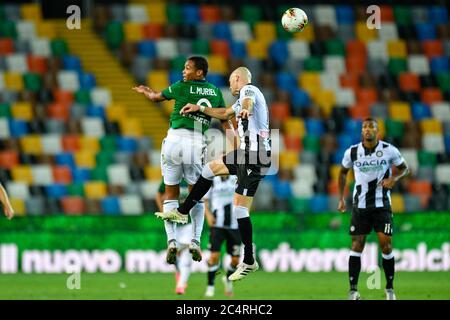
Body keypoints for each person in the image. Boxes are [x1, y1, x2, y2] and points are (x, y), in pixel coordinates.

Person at [156, 67, 271, 282]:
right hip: (245, 153)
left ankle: (249, 259)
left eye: (230, 81)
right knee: (210, 169)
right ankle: (183, 211)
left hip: (256, 156)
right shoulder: (240, 100)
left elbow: (248, 103)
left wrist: (246, 110)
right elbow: (224, 113)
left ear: (238, 78)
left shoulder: (249, 91)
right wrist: (199, 108)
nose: (230, 86)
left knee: (239, 209)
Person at [133, 56, 226, 264]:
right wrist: (234, 140)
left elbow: (157, 97)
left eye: (188, 68)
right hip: (196, 143)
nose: (184, 71)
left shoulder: (182, 86)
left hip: (174, 141)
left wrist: (147, 92)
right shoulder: (215, 92)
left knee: (170, 193)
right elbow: (224, 117)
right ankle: (195, 241)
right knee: (197, 195)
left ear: (199, 72)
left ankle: (172, 241)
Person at [338, 118, 409, 300]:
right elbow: (342, 172)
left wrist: (394, 178)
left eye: (371, 127)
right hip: (360, 206)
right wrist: (341, 198)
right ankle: (353, 291)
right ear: (361, 131)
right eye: (365, 127)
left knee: (386, 246)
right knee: (356, 246)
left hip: (382, 206)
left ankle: (390, 289)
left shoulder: (389, 150)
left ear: (378, 131)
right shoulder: (352, 152)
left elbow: (404, 168)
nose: (368, 130)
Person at [203, 174, 241, 297]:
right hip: (217, 224)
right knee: (214, 257)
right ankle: (210, 287)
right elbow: (205, 200)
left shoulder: (236, 179)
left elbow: (245, 196)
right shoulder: (212, 181)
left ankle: (228, 280)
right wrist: (208, 215)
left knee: (235, 260)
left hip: (234, 225)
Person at [156, 179, 194, 295]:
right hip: (173, 221)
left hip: (188, 221)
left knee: (188, 248)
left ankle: (181, 285)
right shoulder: (170, 177)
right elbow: (158, 195)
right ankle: (178, 271)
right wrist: (163, 210)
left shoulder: (191, 177)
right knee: (176, 250)